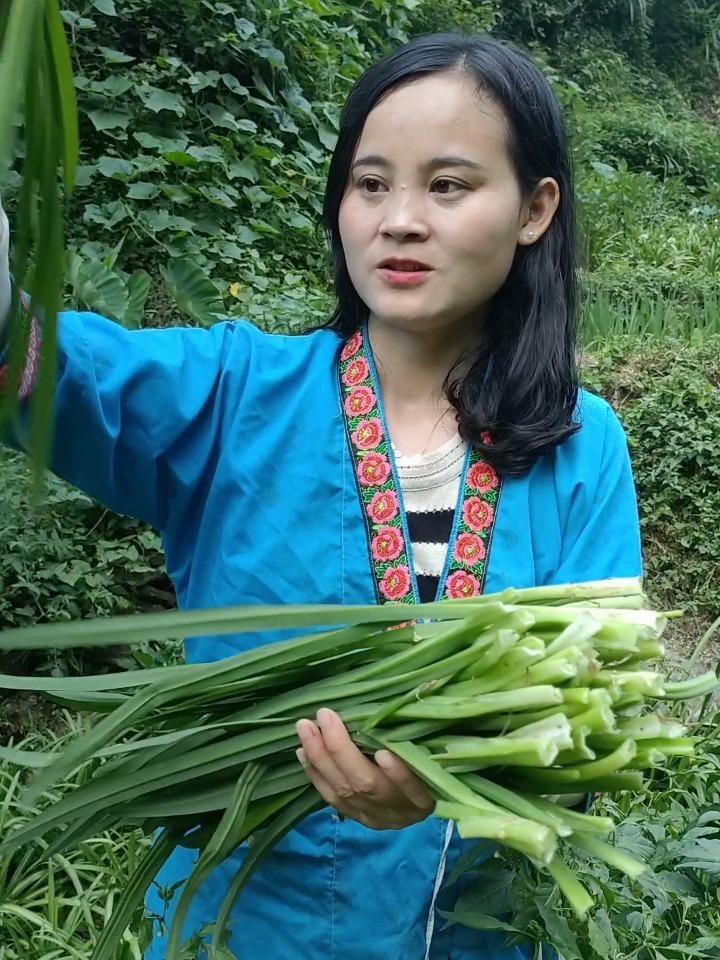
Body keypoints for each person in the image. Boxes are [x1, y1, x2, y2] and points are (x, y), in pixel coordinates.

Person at [0, 31, 642, 960]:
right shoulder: (234, 398)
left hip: (482, 933)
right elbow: (65, 376)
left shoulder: (581, 444)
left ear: (534, 209)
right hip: (244, 927)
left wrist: (462, 778)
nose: (399, 220)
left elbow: (598, 714)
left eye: (448, 186)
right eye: (370, 184)